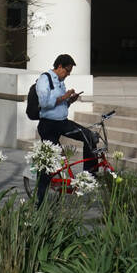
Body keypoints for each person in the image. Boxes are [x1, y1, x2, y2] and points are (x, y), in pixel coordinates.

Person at [34, 53, 98, 205]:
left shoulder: (61, 82)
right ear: (59, 67)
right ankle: (40, 201)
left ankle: (88, 176)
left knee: (88, 135)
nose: (68, 75)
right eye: (67, 71)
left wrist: (69, 100)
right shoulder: (45, 79)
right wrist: (63, 97)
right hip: (48, 125)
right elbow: (44, 102)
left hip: (62, 122)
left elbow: (60, 106)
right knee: (50, 161)